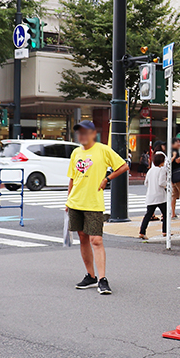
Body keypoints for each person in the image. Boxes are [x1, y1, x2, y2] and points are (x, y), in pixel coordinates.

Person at [66, 120, 129, 295]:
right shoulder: (75, 152)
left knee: (96, 240)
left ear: (93, 133)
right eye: (79, 133)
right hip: (75, 202)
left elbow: (124, 166)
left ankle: (103, 279)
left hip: (93, 202)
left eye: (85, 132)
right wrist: (67, 200)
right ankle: (90, 276)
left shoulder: (103, 150)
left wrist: (107, 179)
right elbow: (72, 178)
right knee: (82, 237)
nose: (82, 136)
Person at [139, 154, 168, 240]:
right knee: (166, 214)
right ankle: (165, 231)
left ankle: (142, 232)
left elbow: (146, 183)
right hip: (160, 196)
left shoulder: (150, 171)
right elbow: (161, 182)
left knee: (148, 215)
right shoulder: (161, 170)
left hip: (151, 196)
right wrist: (168, 185)